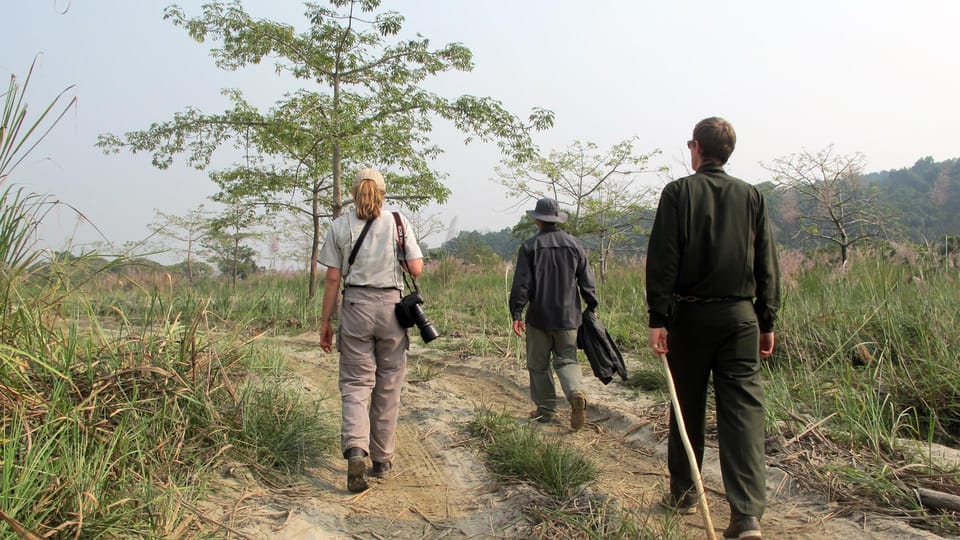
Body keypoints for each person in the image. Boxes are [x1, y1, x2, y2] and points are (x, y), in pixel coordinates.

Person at [645, 117, 781, 540]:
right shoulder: (752, 196)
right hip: (741, 320)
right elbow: (767, 264)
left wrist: (658, 318)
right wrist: (767, 319)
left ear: (698, 149)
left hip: (690, 318)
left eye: (691, 145)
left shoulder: (678, 193)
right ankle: (746, 517)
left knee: (686, 405)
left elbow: (663, 260)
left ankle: (684, 494)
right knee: (742, 414)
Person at [318, 166, 424, 493]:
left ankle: (355, 450)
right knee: (388, 385)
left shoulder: (339, 226)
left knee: (355, 382)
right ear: (382, 193)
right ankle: (381, 461)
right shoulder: (397, 222)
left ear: (353, 193)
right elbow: (417, 268)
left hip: (355, 308)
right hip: (392, 309)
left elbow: (333, 279)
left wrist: (326, 322)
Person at [509, 197, 599, 430]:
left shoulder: (529, 247)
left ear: (537, 219)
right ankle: (575, 392)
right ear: (557, 219)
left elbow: (522, 284)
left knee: (538, 365)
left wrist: (516, 313)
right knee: (567, 359)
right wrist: (592, 304)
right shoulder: (574, 244)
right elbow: (587, 279)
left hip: (539, 317)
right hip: (569, 318)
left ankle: (546, 411)